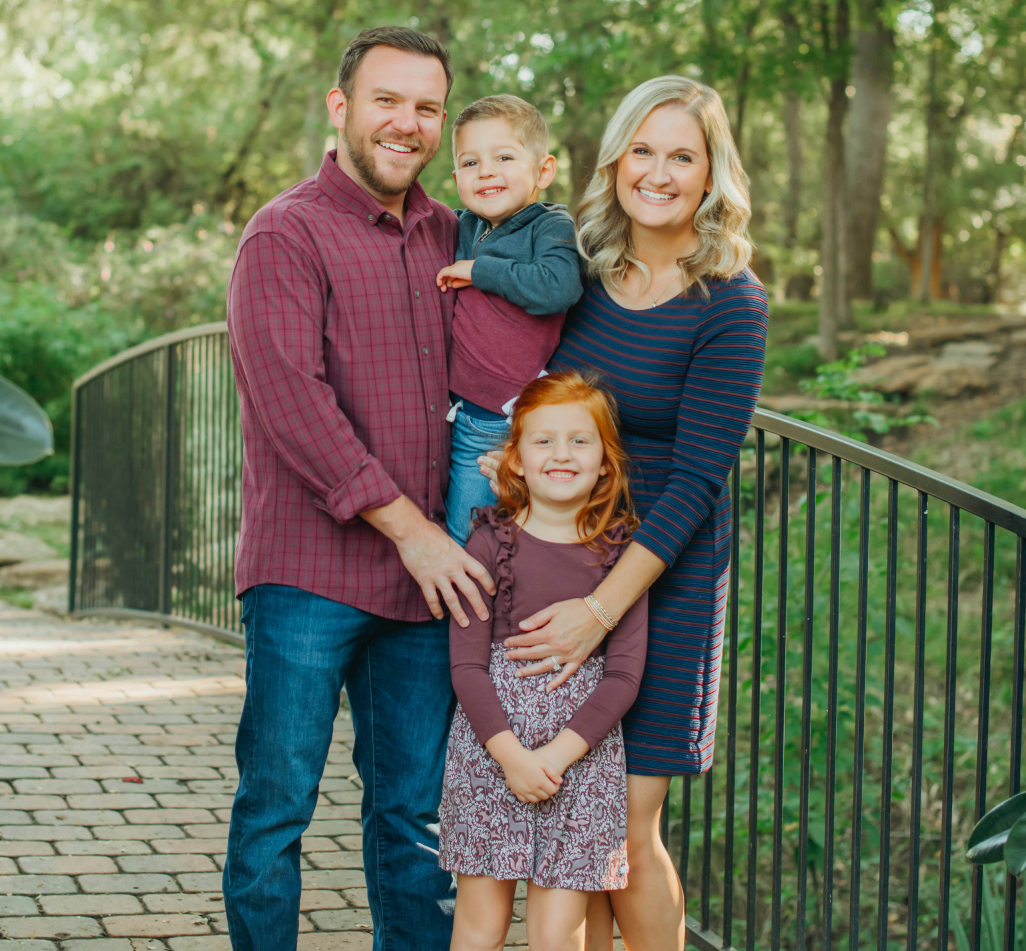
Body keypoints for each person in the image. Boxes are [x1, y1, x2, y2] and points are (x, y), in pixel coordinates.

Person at [223, 26, 497, 951]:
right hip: (308, 575)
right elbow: (292, 402)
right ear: (340, 107)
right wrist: (412, 528)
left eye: (427, 107)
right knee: (276, 811)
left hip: (427, 591)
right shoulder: (285, 232)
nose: (407, 123)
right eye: (388, 100)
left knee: (412, 819)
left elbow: (514, 355)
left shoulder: (457, 235)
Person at [480, 76, 769, 948]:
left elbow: (695, 485)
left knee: (626, 836)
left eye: (682, 155)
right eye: (642, 150)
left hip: (661, 580)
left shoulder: (731, 302)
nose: (658, 172)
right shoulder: (581, 277)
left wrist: (601, 611)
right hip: (563, 560)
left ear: (712, 172)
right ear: (614, 162)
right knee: (571, 826)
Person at [438, 372, 649, 951]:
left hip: (580, 762)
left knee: (557, 934)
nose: (562, 454)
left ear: (606, 462)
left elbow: (624, 675)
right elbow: (467, 668)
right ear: (514, 459)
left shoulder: (622, 555)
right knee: (479, 924)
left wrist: (555, 757)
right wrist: (511, 758)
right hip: (490, 755)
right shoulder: (488, 542)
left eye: (580, 441)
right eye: (543, 440)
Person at [435, 94, 584, 545]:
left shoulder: (551, 225)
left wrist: (480, 271)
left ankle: (475, 615)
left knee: (470, 538)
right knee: (464, 532)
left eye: (504, 157)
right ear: (457, 177)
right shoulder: (464, 226)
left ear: (543, 171)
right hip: (454, 410)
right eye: (470, 162)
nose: (486, 171)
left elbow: (559, 287)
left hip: (498, 419)